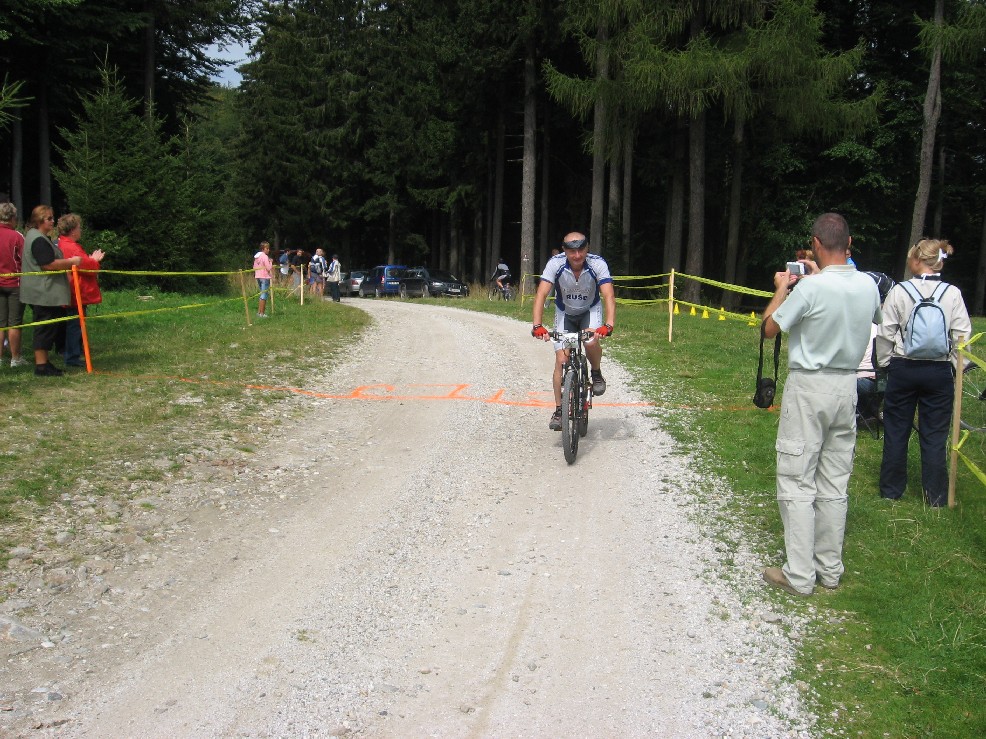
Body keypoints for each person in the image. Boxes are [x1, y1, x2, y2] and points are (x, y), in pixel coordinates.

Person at [760, 213, 881, 596]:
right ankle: (829, 568)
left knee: (797, 478)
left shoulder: (810, 289)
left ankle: (799, 573)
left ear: (815, 244)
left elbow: (769, 327)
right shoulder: (868, 285)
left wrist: (783, 288)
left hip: (810, 386)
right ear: (849, 243)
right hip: (848, 384)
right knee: (834, 481)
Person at [875, 239, 972, 508]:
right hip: (938, 371)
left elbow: (885, 332)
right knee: (935, 434)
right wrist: (955, 367)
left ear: (917, 260)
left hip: (903, 367)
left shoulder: (899, 291)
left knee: (896, 430)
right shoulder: (952, 293)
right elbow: (962, 336)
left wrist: (885, 363)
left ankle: (891, 490)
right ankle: (936, 496)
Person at [531, 232, 616, 430]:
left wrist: (608, 324)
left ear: (587, 248)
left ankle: (595, 372)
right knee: (562, 359)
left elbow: (608, 295)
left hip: (589, 311)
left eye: (581, 250)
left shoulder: (597, 264)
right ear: (564, 250)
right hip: (565, 313)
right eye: (572, 251)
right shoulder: (555, 263)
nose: (577, 255)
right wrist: (537, 325)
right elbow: (541, 294)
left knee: (590, 341)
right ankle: (559, 410)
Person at [19, 205, 82, 376]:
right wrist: (72, 262)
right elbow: (47, 264)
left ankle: (44, 362)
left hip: (42, 291)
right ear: (39, 220)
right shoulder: (38, 239)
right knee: (44, 328)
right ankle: (41, 366)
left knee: (48, 327)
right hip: (43, 293)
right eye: (49, 218)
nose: (52, 221)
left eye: (52, 218)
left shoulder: (36, 237)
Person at [56, 213, 104, 366]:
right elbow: (87, 266)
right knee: (75, 325)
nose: (80, 230)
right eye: (79, 227)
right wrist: (94, 260)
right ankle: (72, 357)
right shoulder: (72, 247)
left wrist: (89, 260)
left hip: (71, 289)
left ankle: (73, 353)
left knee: (74, 323)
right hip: (76, 290)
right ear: (72, 230)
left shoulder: (63, 244)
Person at [856, 271, 896, 422]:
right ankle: (867, 412)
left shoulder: (861, 323)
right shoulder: (885, 326)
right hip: (882, 382)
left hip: (863, 381)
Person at [0, 202, 28, 368]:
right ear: (12, 218)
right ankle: (15, 358)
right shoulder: (17, 236)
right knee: (15, 323)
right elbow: (25, 259)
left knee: (0, 323)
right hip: (15, 283)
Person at [253, 241, 273, 317]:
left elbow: (254, 267)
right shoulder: (265, 256)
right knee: (264, 295)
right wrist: (270, 262)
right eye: (267, 248)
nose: (268, 250)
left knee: (262, 295)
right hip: (264, 277)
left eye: (268, 248)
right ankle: (262, 313)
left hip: (258, 276)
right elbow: (269, 268)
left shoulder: (256, 257)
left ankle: (259, 312)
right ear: (263, 249)